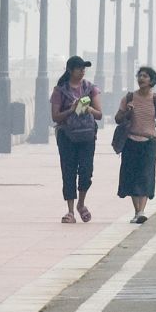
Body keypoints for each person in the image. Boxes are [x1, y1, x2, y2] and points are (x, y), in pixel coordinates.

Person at [116, 66, 156, 224]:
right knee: (131, 177)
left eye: (145, 76)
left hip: (149, 143)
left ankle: (141, 211)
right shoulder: (129, 98)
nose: (141, 79)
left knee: (145, 177)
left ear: (152, 80)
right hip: (130, 142)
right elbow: (117, 119)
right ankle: (137, 211)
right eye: (139, 76)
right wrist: (126, 112)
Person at [50, 56, 102, 223]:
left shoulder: (90, 89)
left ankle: (81, 203)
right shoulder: (60, 91)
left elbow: (100, 114)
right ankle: (70, 210)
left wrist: (88, 109)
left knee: (86, 171)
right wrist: (71, 110)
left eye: (83, 68)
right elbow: (56, 117)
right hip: (67, 137)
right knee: (68, 171)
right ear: (70, 70)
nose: (82, 71)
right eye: (79, 68)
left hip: (87, 136)